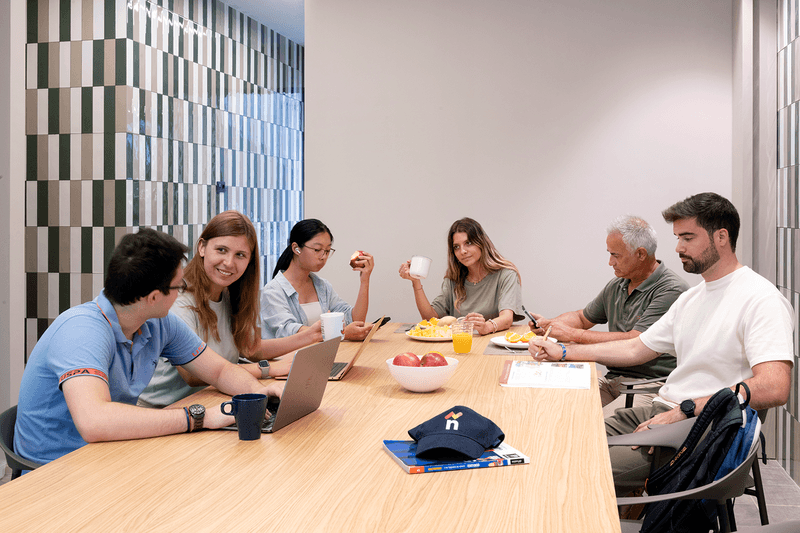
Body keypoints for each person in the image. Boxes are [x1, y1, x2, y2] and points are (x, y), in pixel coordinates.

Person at [530, 193, 794, 496]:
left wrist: (685, 410)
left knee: (572, 466)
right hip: (664, 410)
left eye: (688, 237)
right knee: (555, 443)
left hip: (702, 428)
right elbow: (636, 348)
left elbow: (774, 387)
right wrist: (563, 352)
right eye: (677, 237)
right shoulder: (692, 299)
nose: (679, 248)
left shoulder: (761, 299)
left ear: (721, 237)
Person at [14, 228, 284, 467]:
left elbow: (219, 371)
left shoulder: (158, 322)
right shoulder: (81, 331)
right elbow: (94, 421)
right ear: (155, 297)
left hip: (114, 452)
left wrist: (260, 392)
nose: (182, 292)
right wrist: (199, 418)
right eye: (178, 286)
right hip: (58, 470)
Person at [138, 211, 318, 409]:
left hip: (207, 403)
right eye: (222, 250)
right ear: (202, 247)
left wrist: (310, 336)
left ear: (249, 261)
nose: (229, 263)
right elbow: (195, 374)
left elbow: (251, 347)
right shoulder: (177, 301)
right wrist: (269, 369)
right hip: (163, 412)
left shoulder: (229, 294)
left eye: (240, 255)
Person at [528, 216, 689, 416]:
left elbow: (635, 341)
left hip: (649, 385)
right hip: (614, 379)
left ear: (640, 254)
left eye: (616, 255)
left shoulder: (671, 290)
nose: (610, 262)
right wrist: (550, 325)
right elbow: (582, 317)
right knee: (555, 408)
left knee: (593, 426)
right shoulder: (619, 284)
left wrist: (571, 336)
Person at [399, 217, 523, 335]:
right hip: (458, 348)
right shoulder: (453, 279)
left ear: (481, 243)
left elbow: (507, 319)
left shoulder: (506, 275)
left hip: (489, 345)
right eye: (456, 247)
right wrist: (416, 281)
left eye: (468, 243)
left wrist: (486, 327)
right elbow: (430, 318)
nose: (462, 251)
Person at [261, 219, 374, 341]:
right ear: (296, 248)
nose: (323, 256)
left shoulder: (322, 286)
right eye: (317, 250)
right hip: (287, 359)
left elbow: (355, 320)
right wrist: (342, 332)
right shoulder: (273, 291)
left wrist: (365, 280)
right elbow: (289, 331)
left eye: (327, 251)